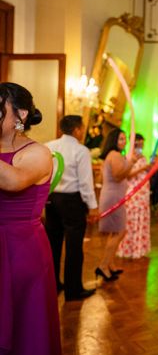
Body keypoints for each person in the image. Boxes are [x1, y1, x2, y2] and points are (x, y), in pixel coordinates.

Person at [0, 82, 62, 355]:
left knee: (24, 331)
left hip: (20, 250)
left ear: (20, 114)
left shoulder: (38, 152)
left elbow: (12, 181)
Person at [45, 114, 98, 301]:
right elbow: (85, 183)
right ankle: (73, 290)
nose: (82, 132)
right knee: (74, 247)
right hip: (72, 201)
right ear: (76, 129)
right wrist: (92, 207)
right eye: (82, 128)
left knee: (53, 244)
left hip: (51, 200)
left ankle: (53, 285)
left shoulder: (49, 146)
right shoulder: (81, 150)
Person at [97, 128, 140, 280]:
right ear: (113, 140)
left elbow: (123, 174)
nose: (124, 142)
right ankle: (103, 265)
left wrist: (132, 165)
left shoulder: (115, 155)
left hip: (114, 196)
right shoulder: (114, 155)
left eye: (124, 139)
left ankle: (110, 264)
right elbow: (118, 176)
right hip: (113, 198)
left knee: (116, 232)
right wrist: (131, 163)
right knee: (120, 232)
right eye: (121, 139)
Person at [117, 134, 151, 259]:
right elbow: (128, 175)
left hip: (143, 193)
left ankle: (140, 249)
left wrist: (149, 167)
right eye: (138, 144)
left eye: (142, 144)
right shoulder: (127, 157)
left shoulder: (143, 158)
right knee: (131, 220)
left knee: (142, 219)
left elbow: (145, 173)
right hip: (133, 193)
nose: (140, 147)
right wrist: (143, 168)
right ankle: (128, 249)